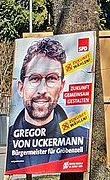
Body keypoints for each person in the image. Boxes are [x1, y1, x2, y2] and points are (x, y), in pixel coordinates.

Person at [6, 38, 90, 172]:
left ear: (61, 86)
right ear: (21, 88)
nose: (42, 90)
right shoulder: (9, 140)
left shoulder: (83, 138)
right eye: (34, 78)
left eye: (51, 78)